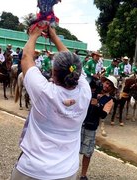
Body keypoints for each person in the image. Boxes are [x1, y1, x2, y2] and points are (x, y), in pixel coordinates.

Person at [10, 25, 91, 180]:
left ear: (53, 72)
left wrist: (34, 34)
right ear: (77, 72)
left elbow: (26, 58)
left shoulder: (43, 91)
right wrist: (54, 36)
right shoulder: (85, 91)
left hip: (32, 170)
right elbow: (72, 63)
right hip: (67, 172)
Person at [79, 75, 117, 180]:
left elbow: (104, 115)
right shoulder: (92, 91)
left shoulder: (109, 100)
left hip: (91, 127)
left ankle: (83, 175)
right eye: (107, 83)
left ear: (112, 89)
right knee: (72, 148)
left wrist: (97, 105)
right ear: (103, 82)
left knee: (87, 153)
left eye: (110, 85)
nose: (107, 86)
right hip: (79, 123)